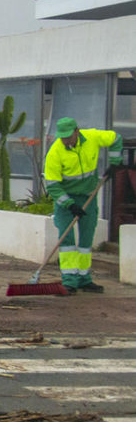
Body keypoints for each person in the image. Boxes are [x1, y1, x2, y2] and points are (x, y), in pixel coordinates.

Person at [44, 117, 122, 293]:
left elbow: (116, 138)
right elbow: (53, 185)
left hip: (88, 196)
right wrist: (70, 204)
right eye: (62, 137)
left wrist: (115, 163)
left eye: (68, 137)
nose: (65, 140)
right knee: (67, 240)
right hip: (66, 200)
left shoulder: (92, 137)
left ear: (76, 132)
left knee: (86, 240)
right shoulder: (55, 152)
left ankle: (84, 278)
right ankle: (69, 281)